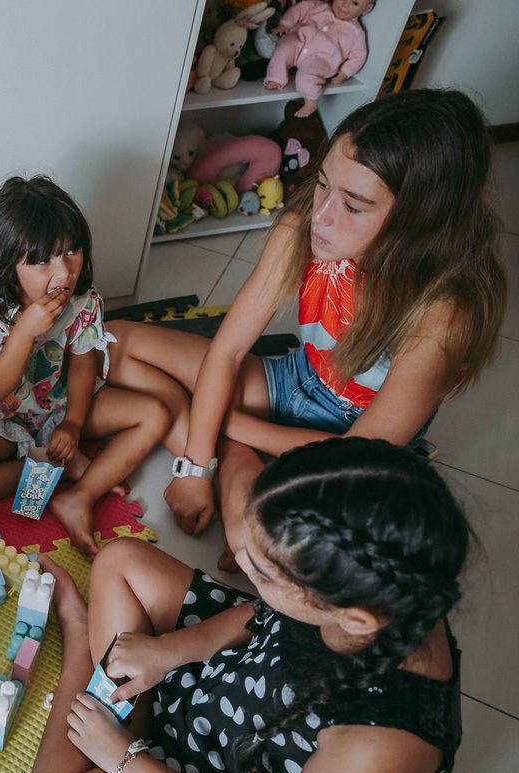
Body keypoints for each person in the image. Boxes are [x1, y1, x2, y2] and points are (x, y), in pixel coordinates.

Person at [106, 88, 505, 568]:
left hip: (356, 449)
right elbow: (226, 352)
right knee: (113, 342)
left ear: (421, 222)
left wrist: (229, 428)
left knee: (276, 552)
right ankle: (236, 462)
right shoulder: (301, 226)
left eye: (353, 205)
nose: (321, 215)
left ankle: (229, 454)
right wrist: (194, 467)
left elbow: (360, 453)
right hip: (297, 380)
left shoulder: (445, 313)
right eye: (322, 184)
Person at [26, 437, 466, 773]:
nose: (239, 564)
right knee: (120, 561)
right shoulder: (388, 585)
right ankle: (129, 716)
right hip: (239, 678)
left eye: (262, 573)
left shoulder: (376, 745)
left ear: (351, 617)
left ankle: (80, 638)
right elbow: (263, 614)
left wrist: (125, 760)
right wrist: (168, 651)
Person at [0, 176, 170, 557]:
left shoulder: (83, 301)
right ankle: (58, 467)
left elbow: (82, 366)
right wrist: (23, 333)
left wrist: (74, 424)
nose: (64, 272)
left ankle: (82, 493)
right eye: (42, 260)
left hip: (61, 405)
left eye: (72, 251)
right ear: (7, 265)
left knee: (156, 414)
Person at [264, 0, 374, 118]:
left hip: (321, 59)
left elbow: (359, 56)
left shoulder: (356, 33)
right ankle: (276, 78)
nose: (345, 5)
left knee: (308, 74)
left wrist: (345, 72)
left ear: (367, 9)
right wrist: (285, 24)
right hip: (299, 40)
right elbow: (297, 10)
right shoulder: (318, 6)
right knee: (283, 50)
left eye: (355, 3)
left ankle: (310, 101)